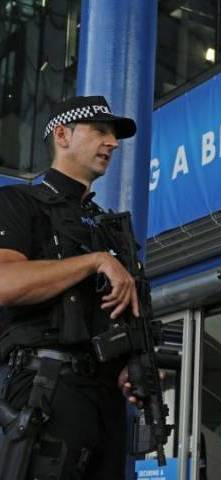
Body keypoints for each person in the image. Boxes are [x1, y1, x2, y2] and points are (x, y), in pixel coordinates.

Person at [0, 96, 141, 479]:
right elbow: (5, 283)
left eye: (114, 135)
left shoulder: (108, 227)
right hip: (48, 384)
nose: (112, 142)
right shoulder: (18, 202)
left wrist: (131, 365)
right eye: (100, 131)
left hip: (105, 400)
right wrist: (95, 261)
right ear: (62, 135)